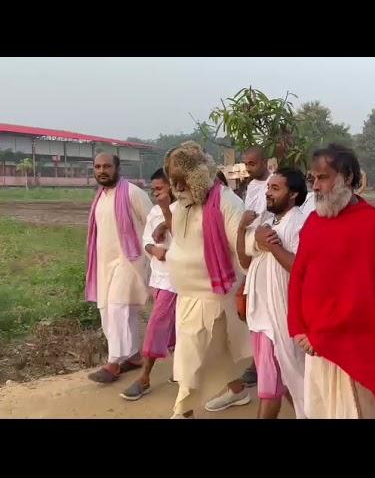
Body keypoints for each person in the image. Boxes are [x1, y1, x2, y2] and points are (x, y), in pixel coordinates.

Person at [288, 144, 375, 419]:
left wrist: (321, 335)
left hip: (356, 349)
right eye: (312, 179)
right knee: (319, 412)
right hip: (315, 346)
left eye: (323, 177)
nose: (315, 186)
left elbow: (371, 296)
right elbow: (298, 277)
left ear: (347, 177)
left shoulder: (372, 224)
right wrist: (298, 328)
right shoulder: (313, 222)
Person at [157, 141, 252, 418]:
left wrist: (256, 239)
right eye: (173, 181)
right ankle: (237, 391)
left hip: (213, 297)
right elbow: (183, 238)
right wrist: (166, 215)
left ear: (196, 177)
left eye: (181, 180)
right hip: (187, 296)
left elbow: (243, 242)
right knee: (218, 353)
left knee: (190, 359)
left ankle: (182, 412)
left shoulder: (225, 201)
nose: (177, 187)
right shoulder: (184, 204)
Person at [237, 168, 308, 418]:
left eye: (275, 188)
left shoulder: (300, 223)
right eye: (268, 187)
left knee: (274, 388)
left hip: (281, 317)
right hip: (261, 316)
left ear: (294, 194)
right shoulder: (266, 222)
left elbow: (301, 269)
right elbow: (245, 262)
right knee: (286, 383)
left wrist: (270, 245)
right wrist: (242, 230)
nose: (268, 193)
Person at [205, 146, 271, 411]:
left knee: (266, 314)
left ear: (266, 162)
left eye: (253, 163)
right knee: (253, 313)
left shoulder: (272, 185)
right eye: (247, 163)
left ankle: (264, 369)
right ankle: (260, 364)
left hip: (267, 251)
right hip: (249, 255)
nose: (250, 167)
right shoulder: (252, 186)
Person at [85, 153, 153, 383]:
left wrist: (153, 254)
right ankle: (133, 357)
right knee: (108, 309)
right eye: (97, 167)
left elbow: (154, 222)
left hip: (130, 261)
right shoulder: (100, 197)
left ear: (117, 168)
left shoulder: (134, 193)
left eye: (107, 166)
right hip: (105, 263)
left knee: (118, 308)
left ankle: (113, 363)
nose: (102, 170)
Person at [119, 168, 178, 400]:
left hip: (176, 279)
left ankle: (144, 377)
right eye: (153, 190)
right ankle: (181, 370)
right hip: (159, 277)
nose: (156, 194)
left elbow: (184, 239)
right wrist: (153, 250)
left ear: (172, 187)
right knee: (173, 326)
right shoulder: (154, 211)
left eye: (160, 189)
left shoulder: (182, 210)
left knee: (156, 325)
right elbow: (146, 239)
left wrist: (166, 218)